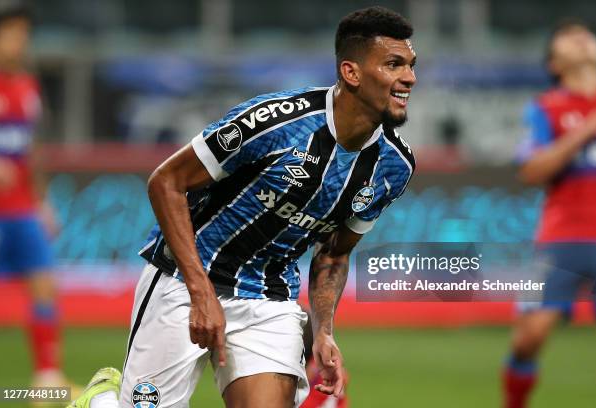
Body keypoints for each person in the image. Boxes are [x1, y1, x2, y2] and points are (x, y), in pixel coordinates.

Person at [71, 6, 416, 408]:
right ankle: (101, 403)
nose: (409, 77)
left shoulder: (393, 166)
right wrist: (202, 294)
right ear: (351, 72)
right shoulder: (276, 123)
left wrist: (323, 332)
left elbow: (335, 254)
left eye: (411, 65)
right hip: (184, 281)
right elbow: (167, 182)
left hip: (268, 298)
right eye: (394, 64)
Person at [503, 21, 596, 408]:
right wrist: (584, 132)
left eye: (587, 32)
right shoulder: (546, 108)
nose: (581, 35)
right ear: (554, 62)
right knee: (528, 339)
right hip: (560, 240)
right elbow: (530, 171)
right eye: (568, 34)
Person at [0, 0, 75, 391]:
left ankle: (46, 378)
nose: (18, 43)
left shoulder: (26, 86)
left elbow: (31, 150)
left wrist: (42, 202)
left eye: (23, 35)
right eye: (11, 35)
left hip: (22, 208)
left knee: (44, 284)